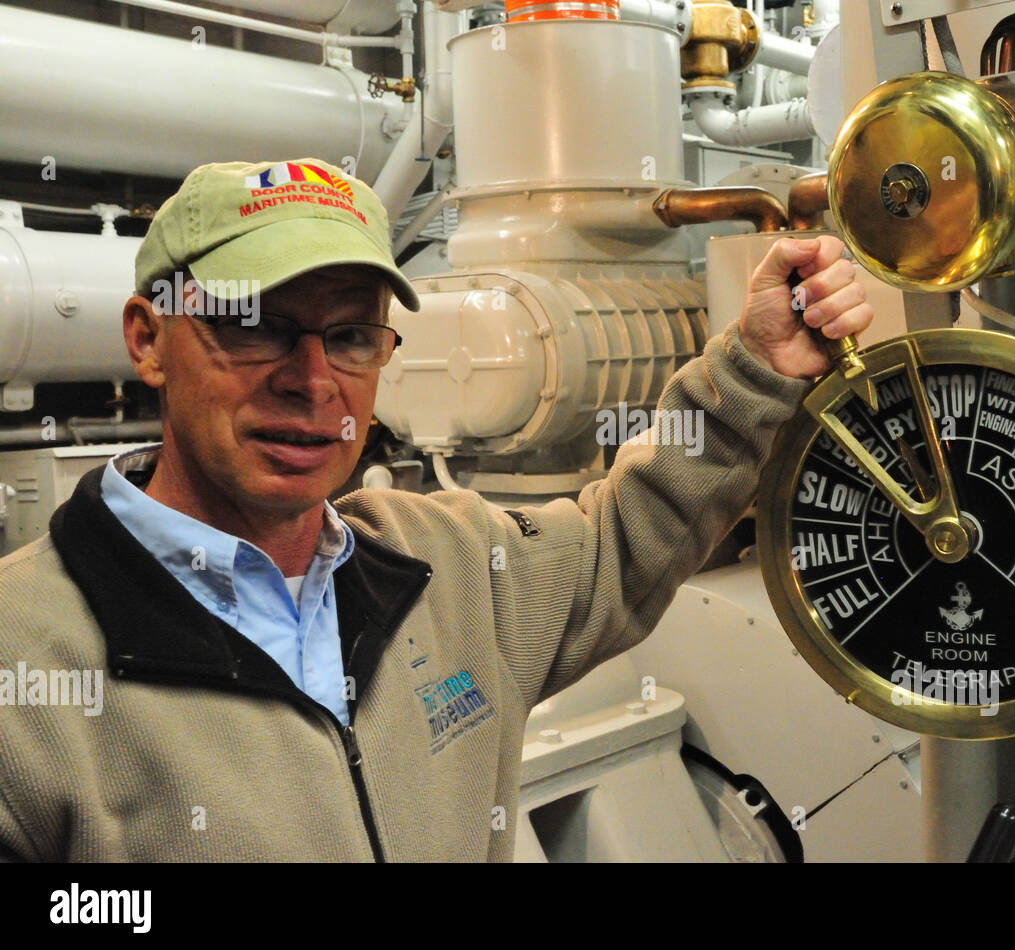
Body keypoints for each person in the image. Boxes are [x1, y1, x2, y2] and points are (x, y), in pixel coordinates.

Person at [0, 158, 873, 861]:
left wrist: (756, 364)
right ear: (148, 339)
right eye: (254, 324)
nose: (311, 382)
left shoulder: (450, 563)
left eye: (349, 335)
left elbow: (625, 534)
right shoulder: (26, 661)